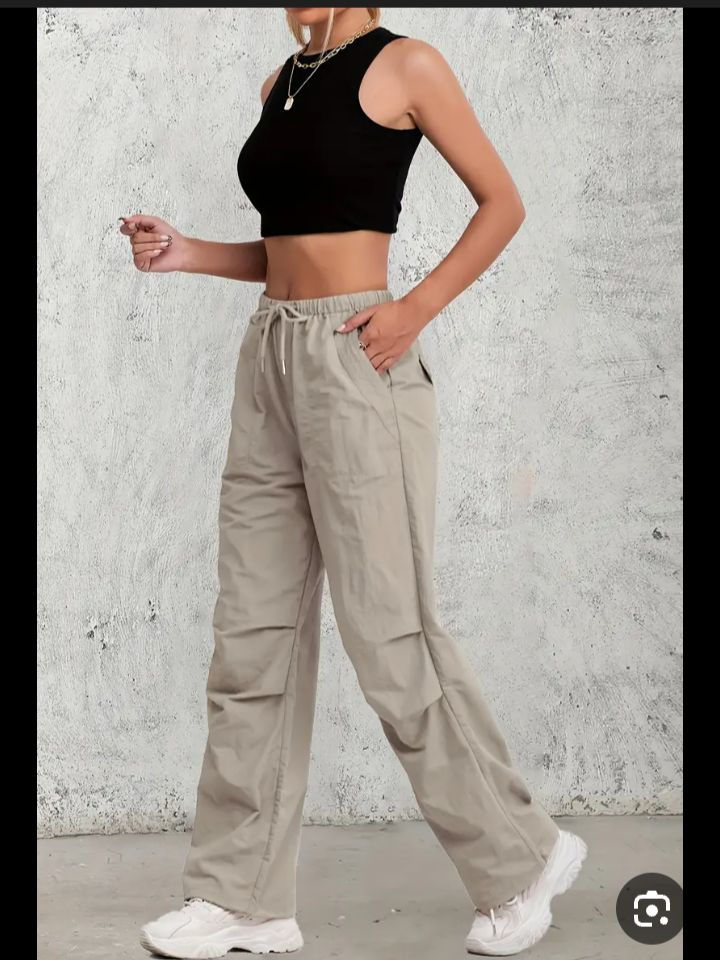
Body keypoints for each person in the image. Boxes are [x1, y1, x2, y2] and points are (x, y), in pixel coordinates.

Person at [121, 8, 586, 958]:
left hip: (357, 357)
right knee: (250, 635)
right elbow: (286, 250)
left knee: (390, 634)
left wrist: (415, 308)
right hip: (270, 357)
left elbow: (502, 202)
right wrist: (188, 251)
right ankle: (244, 898)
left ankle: (521, 859)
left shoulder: (407, 65)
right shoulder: (281, 81)